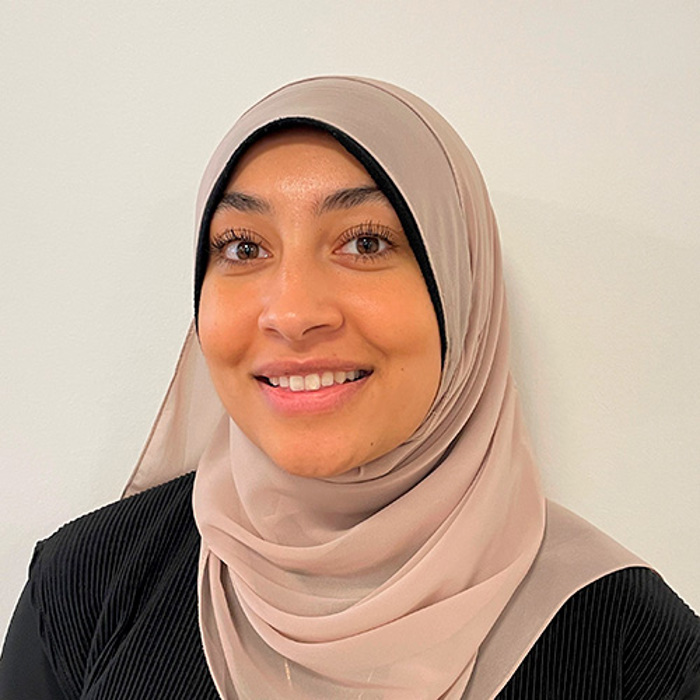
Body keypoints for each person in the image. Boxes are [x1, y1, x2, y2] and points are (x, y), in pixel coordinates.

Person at [1, 76, 698, 699]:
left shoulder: (632, 652)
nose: (293, 312)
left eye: (365, 243)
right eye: (244, 247)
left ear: (461, 289)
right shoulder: (86, 585)